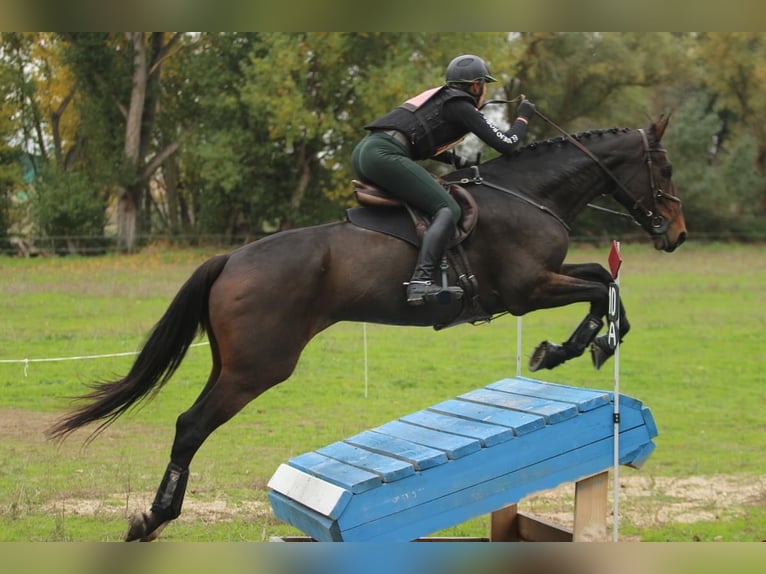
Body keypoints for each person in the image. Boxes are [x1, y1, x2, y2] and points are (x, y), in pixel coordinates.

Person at [352, 54, 536, 306]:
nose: (484, 91)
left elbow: (422, 136)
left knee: (430, 203)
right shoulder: (461, 105)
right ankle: (421, 281)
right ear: (476, 86)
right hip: (384, 154)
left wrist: (456, 161)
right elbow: (507, 145)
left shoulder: (442, 98)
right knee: (448, 207)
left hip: (367, 151)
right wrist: (523, 118)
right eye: (484, 85)